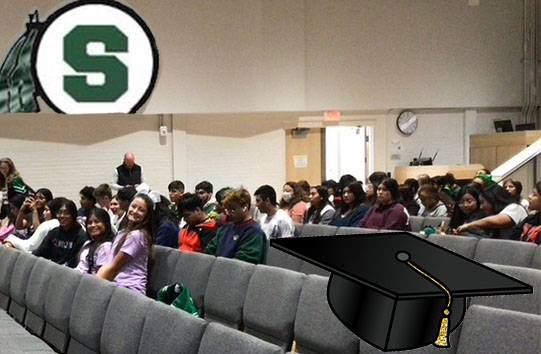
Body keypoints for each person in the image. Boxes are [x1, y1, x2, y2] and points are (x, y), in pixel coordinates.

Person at [97, 193, 155, 295]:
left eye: (141, 210)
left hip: (130, 289)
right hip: (117, 285)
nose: (135, 211)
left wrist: (92, 286)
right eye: (133, 206)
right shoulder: (123, 232)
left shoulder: (137, 236)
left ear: (147, 215)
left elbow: (113, 266)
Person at [205, 188, 266, 265]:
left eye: (232, 209)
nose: (228, 213)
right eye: (227, 210)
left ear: (245, 207)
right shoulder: (225, 229)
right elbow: (209, 251)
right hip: (218, 271)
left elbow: (244, 261)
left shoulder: (254, 232)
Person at [456, 184, 528, 239]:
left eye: (482, 202)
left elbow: (498, 221)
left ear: (492, 200)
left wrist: (469, 225)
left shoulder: (515, 208)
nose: (481, 207)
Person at [33, 199, 88, 268]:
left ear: (73, 215)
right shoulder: (53, 233)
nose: (62, 216)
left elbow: (74, 262)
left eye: (66, 213)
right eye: (59, 213)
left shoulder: (81, 236)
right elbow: (40, 253)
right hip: (52, 270)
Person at [76, 208, 114, 274]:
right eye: (90, 222)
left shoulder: (106, 247)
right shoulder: (88, 244)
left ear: (106, 223)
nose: (93, 225)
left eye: (97, 221)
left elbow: (103, 274)